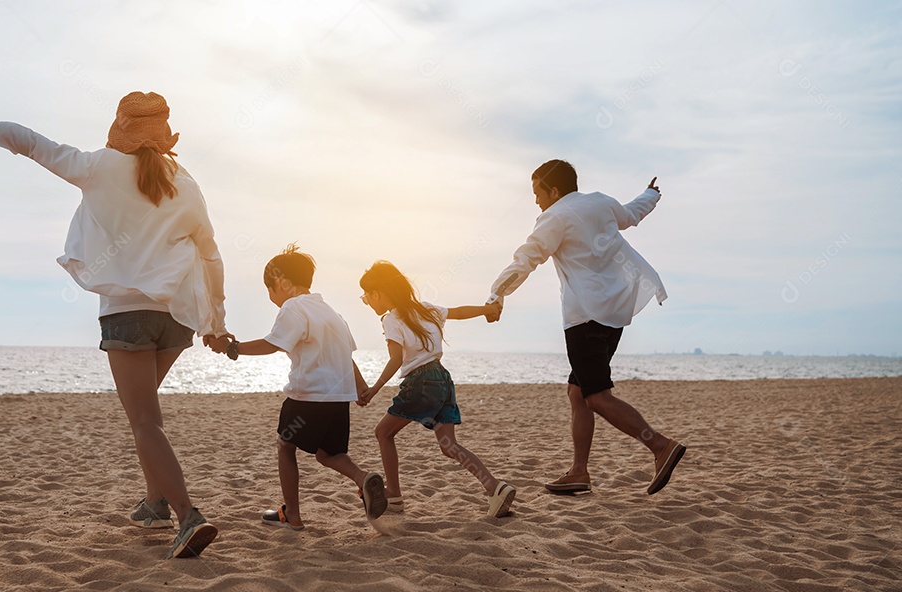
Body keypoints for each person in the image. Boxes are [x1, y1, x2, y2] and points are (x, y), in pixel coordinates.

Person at [0, 92, 229, 558]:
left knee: (144, 422)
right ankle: (154, 503)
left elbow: (36, 146)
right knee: (151, 418)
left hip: (127, 316)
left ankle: (189, 516)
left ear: (121, 129)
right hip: (176, 319)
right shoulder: (184, 182)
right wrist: (217, 321)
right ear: (165, 137)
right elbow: (210, 254)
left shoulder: (100, 167)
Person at [487, 159, 685, 495]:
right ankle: (579, 471)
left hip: (584, 316)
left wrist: (497, 293)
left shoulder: (555, 217)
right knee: (577, 392)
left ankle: (660, 446)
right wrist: (651, 194)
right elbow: (632, 213)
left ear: (553, 189)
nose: (536, 201)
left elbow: (527, 257)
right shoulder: (601, 202)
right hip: (614, 313)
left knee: (596, 396)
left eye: (537, 193)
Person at [228, 245, 386, 531]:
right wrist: (361, 387)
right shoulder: (331, 312)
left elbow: (273, 343)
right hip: (338, 398)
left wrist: (234, 347)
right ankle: (363, 478)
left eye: (269, 289)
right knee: (328, 453)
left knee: (285, 446)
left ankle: (292, 515)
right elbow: (346, 355)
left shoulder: (294, 306)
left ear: (281, 283)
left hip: (308, 396)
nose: (271, 296)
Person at [357, 261, 514, 517]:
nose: (367, 302)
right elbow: (459, 312)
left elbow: (396, 359)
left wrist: (374, 389)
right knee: (448, 445)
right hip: (442, 378)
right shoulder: (426, 308)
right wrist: (487, 309)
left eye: (367, 297)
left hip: (420, 382)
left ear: (378, 293)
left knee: (383, 433)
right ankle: (495, 488)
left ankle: (394, 497)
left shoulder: (391, 320)